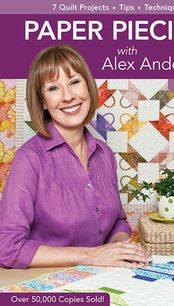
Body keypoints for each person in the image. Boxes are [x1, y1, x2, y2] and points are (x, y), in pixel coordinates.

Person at [0, 45, 150, 269]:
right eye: (53, 88)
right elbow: (7, 247)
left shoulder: (104, 154)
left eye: (74, 82)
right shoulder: (29, 159)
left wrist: (122, 249)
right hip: (49, 285)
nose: (68, 96)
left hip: (101, 280)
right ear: (42, 101)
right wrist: (91, 256)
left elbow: (117, 222)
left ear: (87, 86)